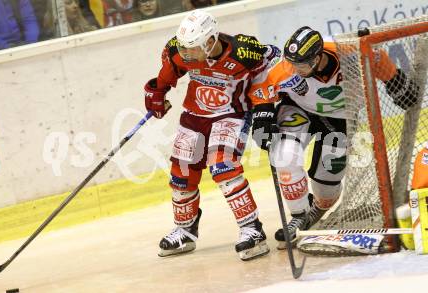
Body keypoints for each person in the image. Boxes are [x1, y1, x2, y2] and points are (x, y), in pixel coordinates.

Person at [249, 26, 419, 248]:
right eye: (292, 63)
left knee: (327, 188)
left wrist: (395, 81)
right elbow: (263, 88)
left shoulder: (348, 53)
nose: (295, 69)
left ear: (317, 57)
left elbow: (377, 56)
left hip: (341, 118)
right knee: (284, 155)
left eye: (301, 64)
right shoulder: (289, 68)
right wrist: (263, 117)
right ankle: (299, 215)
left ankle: (316, 210)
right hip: (298, 109)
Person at [144, 9, 280, 260]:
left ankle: (252, 230)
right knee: (181, 173)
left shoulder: (244, 52)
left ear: (210, 41)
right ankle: (185, 230)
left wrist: (264, 111)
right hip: (194, 115)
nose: (186, 54)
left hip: (231, 114)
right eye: (183, 48)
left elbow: (265, 76)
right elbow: (170, 68)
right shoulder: (179, 50)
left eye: (192, 48)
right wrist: (156, 92)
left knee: (223, 167)